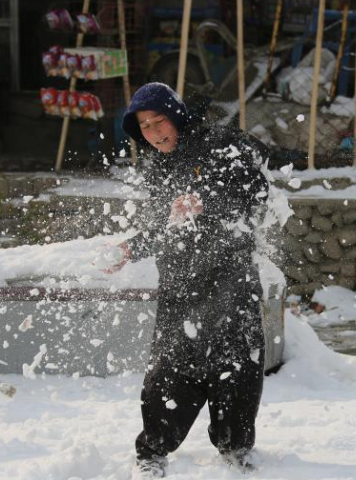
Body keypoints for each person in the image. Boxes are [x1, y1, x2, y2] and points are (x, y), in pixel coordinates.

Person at [108, 82, 270, 478]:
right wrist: (132, 247)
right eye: (144, 127)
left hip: (231, 279)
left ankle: (235, 448)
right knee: (170, 367)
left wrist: (207, 201)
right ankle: (153, 450)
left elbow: (257, 195)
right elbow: (166, 224)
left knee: (235, 364)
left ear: (175, 115)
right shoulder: (159, 167)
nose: (154, 132)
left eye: (158, 121)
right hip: (182, 284)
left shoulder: (221, 144)